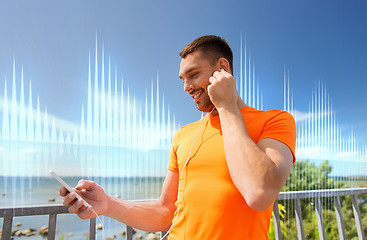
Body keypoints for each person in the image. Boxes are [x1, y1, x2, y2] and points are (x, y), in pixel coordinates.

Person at [60, 35, 296, 239]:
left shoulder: (275, 120)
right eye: (182, 79)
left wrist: (226, 108)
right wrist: (108, 204)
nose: (186, 87)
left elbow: (259, 194)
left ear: (222, 68)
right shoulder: (184, 135)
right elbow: (165, 212)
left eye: (193, 75)